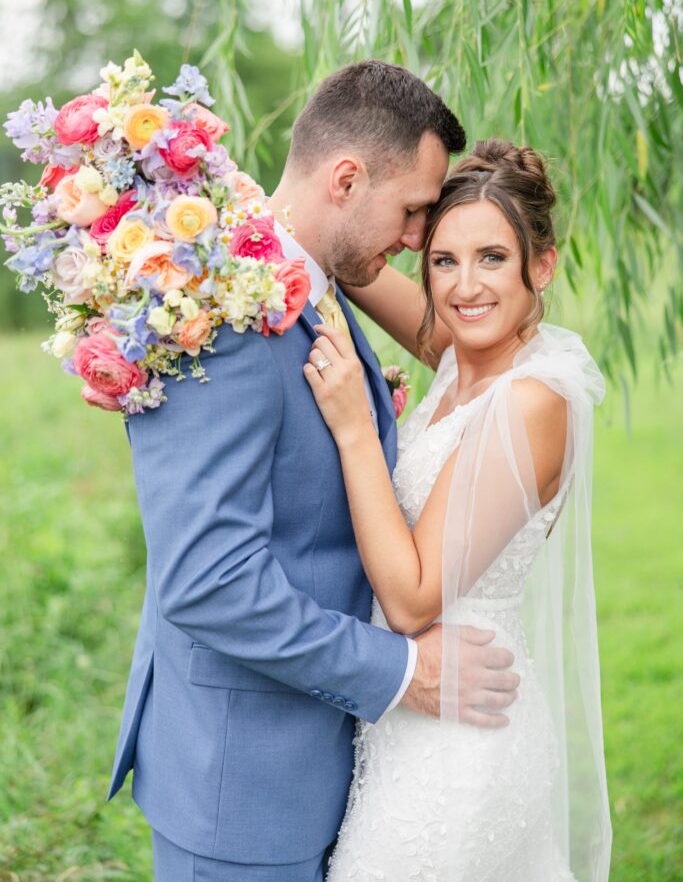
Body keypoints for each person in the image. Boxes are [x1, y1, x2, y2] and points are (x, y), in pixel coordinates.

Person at [108, 63, 521, 881]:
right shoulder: (219, 313)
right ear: (345, 177)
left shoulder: (306, 289)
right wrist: (404, 671)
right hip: (242, 784)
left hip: (315, 758)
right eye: (410, 210)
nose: (415, 239)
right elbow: (207, 582)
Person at [305, 139, 612, 881]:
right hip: (410, 717)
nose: (464, 286)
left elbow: (411, 600)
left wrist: (355, 429)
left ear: (542, 265)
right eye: (443, 260)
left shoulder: (531, 400)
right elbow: (341, 256)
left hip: (462, 741)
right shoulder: (459, 352)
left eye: (492, 258)